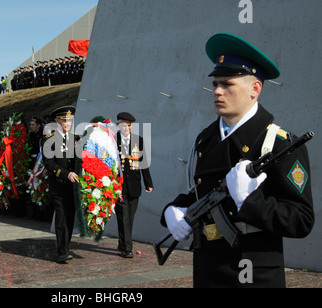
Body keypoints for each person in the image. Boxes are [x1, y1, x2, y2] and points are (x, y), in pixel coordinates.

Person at [161, 33, 314, 288]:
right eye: (215, 84)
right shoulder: (205, 139)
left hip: (254, 271)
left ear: (255, 88)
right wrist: (173, 210)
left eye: (227, 84)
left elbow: (301, 220)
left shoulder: (278, 143)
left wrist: (249, 202)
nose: (217, 91)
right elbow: (200, 192)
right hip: (207, 269)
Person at [41, 106, 80, 262]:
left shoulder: (75, 138)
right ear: (57, 121)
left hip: (73, 186)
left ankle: (66, 247)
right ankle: (62, 251)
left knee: (70, 218)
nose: (68, 123)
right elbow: (49, 164)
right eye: (65, 120)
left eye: (70, 120)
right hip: (59, 184)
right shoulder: (48, 140)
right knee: (61, 217)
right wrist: (66, 174)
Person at [115, 112, 153, 258]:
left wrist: (148, 183)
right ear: (119, 125)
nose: (127, 129)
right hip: (119, 185)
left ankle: (122, 242)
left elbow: (143, 162)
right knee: (123, 216)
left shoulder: (139, 140)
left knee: (129, 217)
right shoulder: (113, 140)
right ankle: (127, 248)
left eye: (129, 126)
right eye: (124, 125)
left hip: (134, 185)